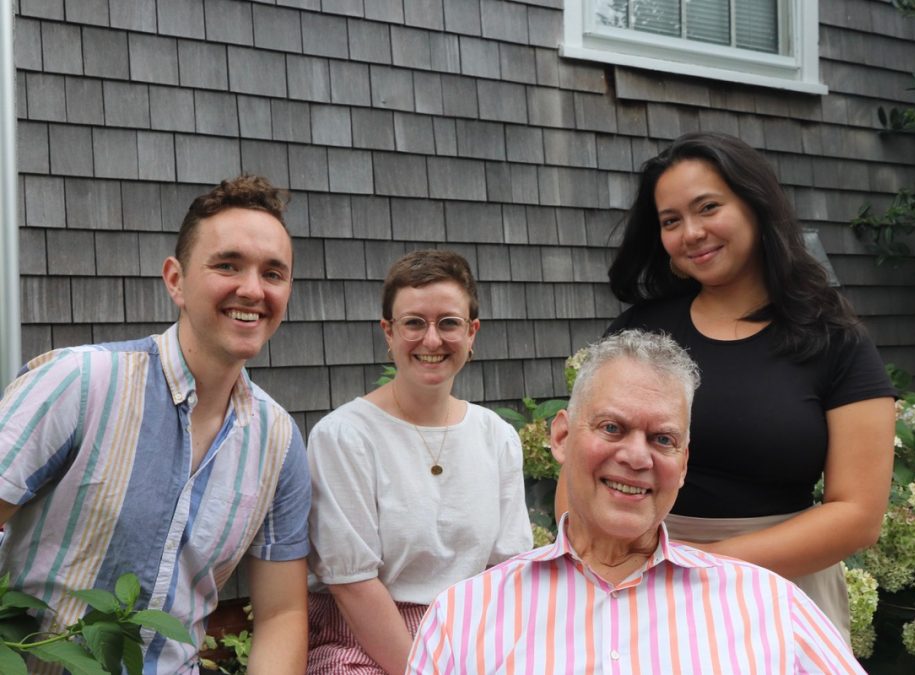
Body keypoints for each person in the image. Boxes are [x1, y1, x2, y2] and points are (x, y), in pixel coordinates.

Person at [557, 132, 896, 640]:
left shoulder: (835, 340)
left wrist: (697, 566)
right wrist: (606, 558)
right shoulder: (640, 332)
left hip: (779, 587)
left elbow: (858, 515)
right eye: (671, 221)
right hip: (634, 585)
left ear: (755, 206)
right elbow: (581, 469)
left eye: (708, 208)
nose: (691, 233)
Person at [407, 330, 866, 674]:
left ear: (683, 464)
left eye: (662, 439)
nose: (636, 457)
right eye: (612, 428)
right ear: (561, 436)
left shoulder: (769, 607)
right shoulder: (466, 616)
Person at [0, 175, 311, 673]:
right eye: (227, 265)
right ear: (175, 280)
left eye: (273, 273)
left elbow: (282, 614)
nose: (253, 289)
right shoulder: (78, 383)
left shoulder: (278, 442)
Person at [305, 249, 532, 675]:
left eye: (448, 323)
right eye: (413, 323)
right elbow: (352, 585)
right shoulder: (345, 437)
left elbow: (509, 571)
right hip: (364, 642)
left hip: (471, 637)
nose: (431, 340)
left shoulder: (496, 436)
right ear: (388, 332)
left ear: (472, 333)